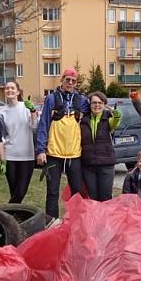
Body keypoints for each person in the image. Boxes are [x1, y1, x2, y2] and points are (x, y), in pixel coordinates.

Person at [36, 68, 90, 221]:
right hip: (54, 154)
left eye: (73, 81)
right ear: (62, 80)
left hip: (74, 155)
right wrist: (41, 150)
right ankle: (51, 223)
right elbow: (43, 124)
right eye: (67, 80)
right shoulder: (51, 99)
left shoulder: (82, 100)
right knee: (52, 192)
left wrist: (108, 111)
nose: (70, 83)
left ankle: (76, 222)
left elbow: (96, 107)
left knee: (77, 192)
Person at [0, 81, 38, 204]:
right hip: (10, 155)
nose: (9, 90)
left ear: (18, 92)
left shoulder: (25, 107)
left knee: (21, 192)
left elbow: (34, 127)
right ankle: (14, 216)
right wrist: (2, 158)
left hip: (27, 155)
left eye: (12, 88)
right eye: (7, 88)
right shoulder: (1, 111)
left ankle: (7, 212)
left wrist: (32, 111)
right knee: (14, 191)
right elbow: (1, 135)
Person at [80, 91, 121, 202]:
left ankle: (106, 219)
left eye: (100, 103)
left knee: (105, 197)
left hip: (106, 165)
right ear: (89, 104)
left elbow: (116, 120)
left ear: (104, 105)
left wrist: (116, 113)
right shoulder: (83, 120)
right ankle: (94, 219)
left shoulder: (108, 119)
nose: (97, 105)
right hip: (88, 165)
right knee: (92, 198)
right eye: (94, 103)